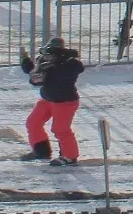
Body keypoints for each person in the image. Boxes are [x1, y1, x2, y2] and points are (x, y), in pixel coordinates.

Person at [18, 37, 84, 166]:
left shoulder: (70, 63)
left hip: (64, 101)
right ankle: (41, 151)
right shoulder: (45, 63)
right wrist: (25, 61)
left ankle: (70, 156)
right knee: (33, 122)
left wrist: (52, 66)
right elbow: (35, 75)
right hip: (48, 99)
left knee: (60, 129)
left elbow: (73, 69)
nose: (46, 58)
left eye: (50, 54)